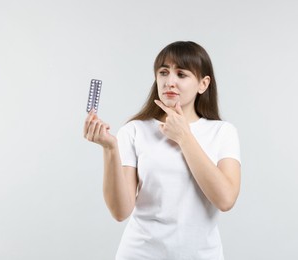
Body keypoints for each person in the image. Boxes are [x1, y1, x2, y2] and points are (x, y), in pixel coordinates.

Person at [83, 41, 241, 260]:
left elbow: (225, 199)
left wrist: (184, 137)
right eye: (163, 73)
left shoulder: (223, 132)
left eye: (181, 74)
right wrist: (110, 149)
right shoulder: (135, 130)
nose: (170, 82)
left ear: (203, 84)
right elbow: (120, 212)